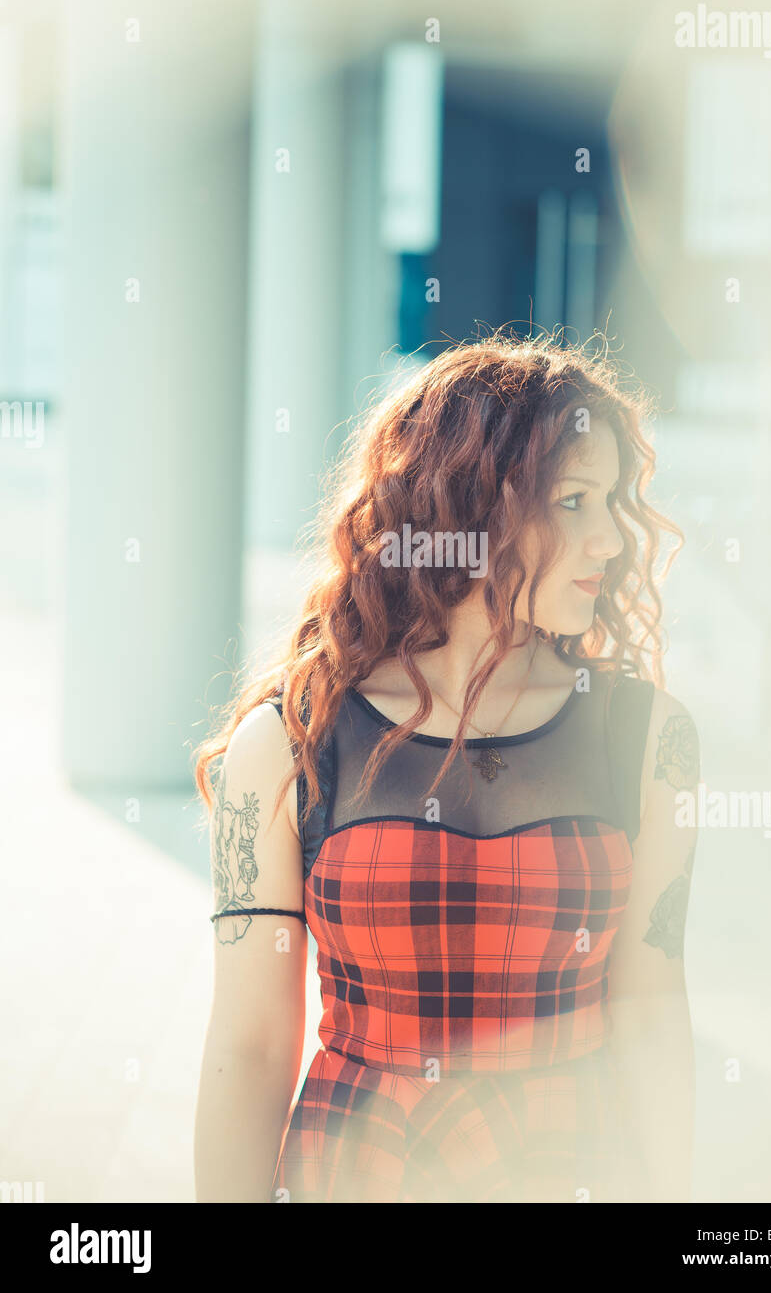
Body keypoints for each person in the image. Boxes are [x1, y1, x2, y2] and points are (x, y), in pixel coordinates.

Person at [193, 330, 701, 1203]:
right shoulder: (287, 743)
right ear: (468, 512)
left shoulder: (649, 737)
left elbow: (649, 1010)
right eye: (573, 500)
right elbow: (250, 1046)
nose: (612, 539)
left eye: (614, 501)